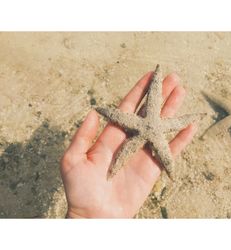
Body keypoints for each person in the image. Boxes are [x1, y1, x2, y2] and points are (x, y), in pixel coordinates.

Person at [60, 70, 197, 218]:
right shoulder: (148, 130)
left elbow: (179, 122)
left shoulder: (148, 131)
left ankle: (159, 76)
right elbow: (118, 117)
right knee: (145, 154)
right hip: (147, 130)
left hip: (147, 130)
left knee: (154, 154)